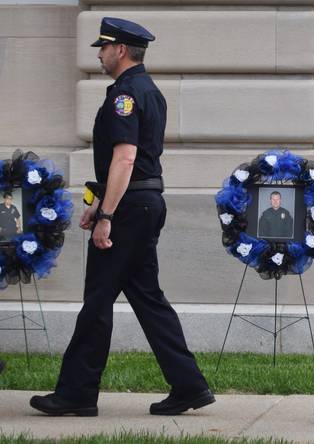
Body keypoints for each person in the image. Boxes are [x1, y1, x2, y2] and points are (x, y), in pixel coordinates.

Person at [30, 17, 214, 417]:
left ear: (122, 50)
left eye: (104, 47)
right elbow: (138, 161)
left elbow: (126, 156)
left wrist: (107, 214)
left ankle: (76, 393)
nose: (98, 53)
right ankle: (189, 385)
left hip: (129, 210)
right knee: (148, 298)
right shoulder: (149, 90)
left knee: (97, 299)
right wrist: (99, 204)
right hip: (142, 204)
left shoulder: (125, 96)